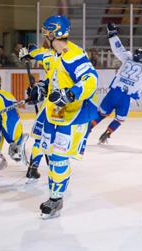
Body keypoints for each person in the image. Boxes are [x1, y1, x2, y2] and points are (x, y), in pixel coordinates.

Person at [19, 15, 98, 219]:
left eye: (46, 33)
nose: (45, 37)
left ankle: (56, 198)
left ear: (53, 33)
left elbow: (91, 79)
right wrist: (40, 88)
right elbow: (52, 77)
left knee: (59, 158)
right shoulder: (55, 54)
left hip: (74, 114)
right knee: (52, 157)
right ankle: (55, 196)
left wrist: (70, 94)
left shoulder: (73, 55)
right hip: (55, 112)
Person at [92, 23, 142, 144]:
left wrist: (112, 34)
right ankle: (107, 133)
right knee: (119, 119)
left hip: (114, 92)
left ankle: (87, 129)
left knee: (101, 113)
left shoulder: (127, 58)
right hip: (126, 97)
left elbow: (118, 49)